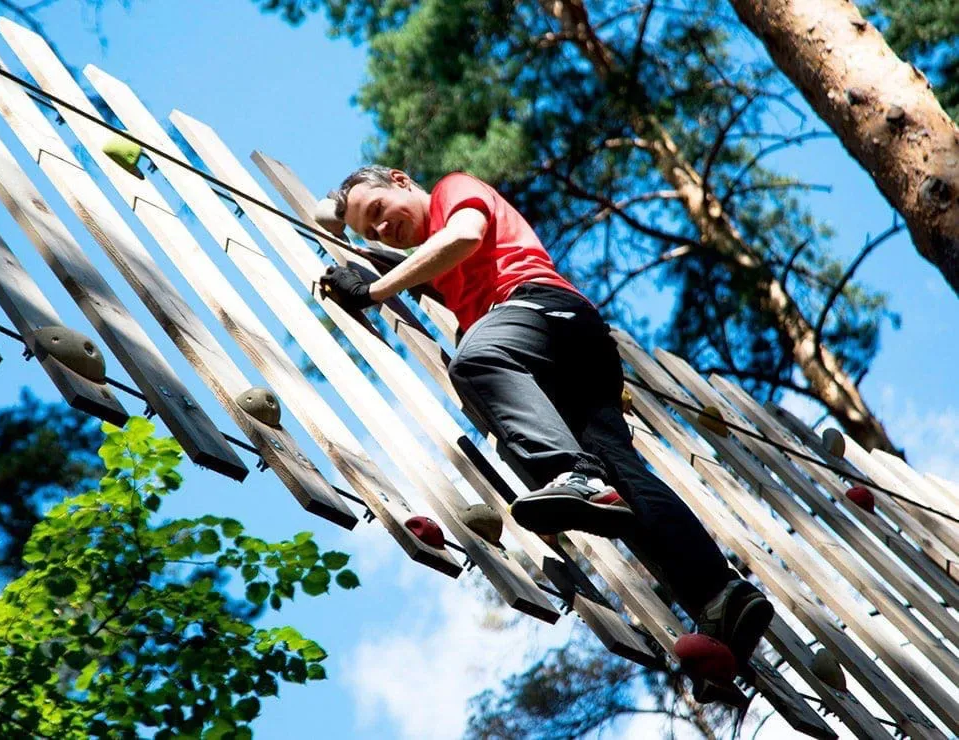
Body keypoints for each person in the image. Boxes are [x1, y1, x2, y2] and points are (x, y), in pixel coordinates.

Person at [317, 165, 773, 670]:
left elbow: (464, 237)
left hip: (541, 313)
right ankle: (721, 597)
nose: (383, 229)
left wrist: (374, 292)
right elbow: (443, 266)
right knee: (623, 476)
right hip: (567, 349)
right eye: (371, 230)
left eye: (379, 211)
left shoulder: (453, 190)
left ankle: (575, 476)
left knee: (476, 360)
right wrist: (379, 266)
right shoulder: (434, 255)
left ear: (401, 181)